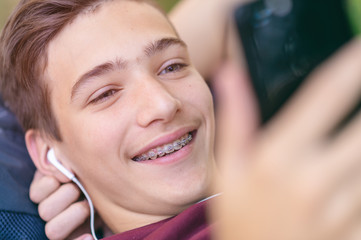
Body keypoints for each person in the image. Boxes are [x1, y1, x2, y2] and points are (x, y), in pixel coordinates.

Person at [2, 0, 361, 240]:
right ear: (49, 154)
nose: (163, 103)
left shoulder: (291, 165)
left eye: (173, 66)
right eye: (105, 94)